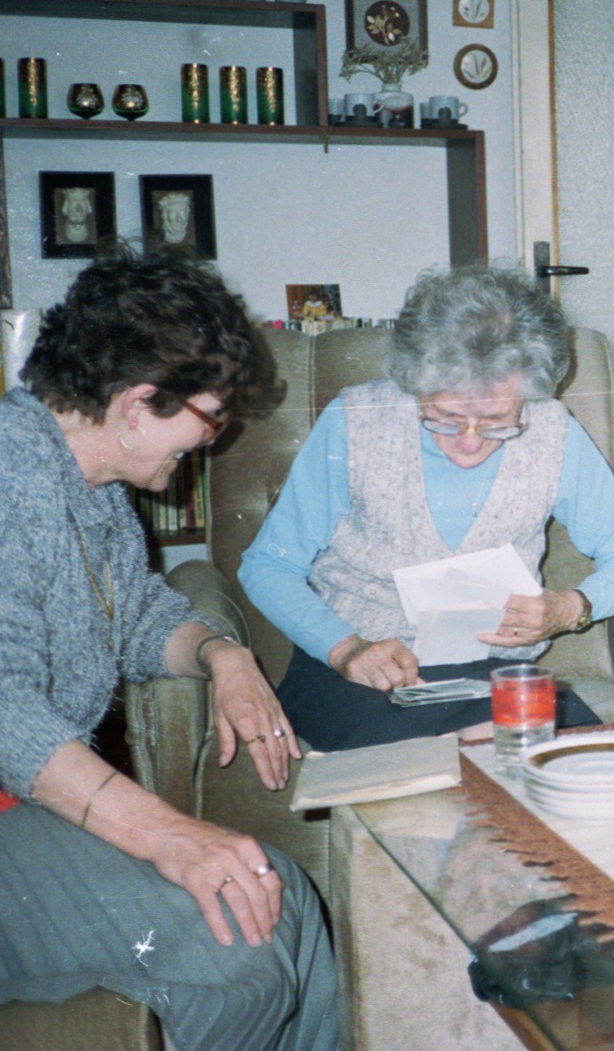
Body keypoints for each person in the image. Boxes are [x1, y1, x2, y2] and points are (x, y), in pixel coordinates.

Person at [0, 249, 338, 1050]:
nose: (212, 441)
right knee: (235, 945)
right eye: (209, 419)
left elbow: (140, 614)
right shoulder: (11, 480)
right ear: (135, 402)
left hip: (30, 804)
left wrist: (224, 656)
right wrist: (168, 834)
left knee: (280, 887)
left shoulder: (93, 485)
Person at [240, 263, 614, 752]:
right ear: (415, 384)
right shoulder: (356, 421)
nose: (468, 443)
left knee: (562, 761)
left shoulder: (553, 429)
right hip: (358, 668)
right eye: (443, 418)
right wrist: (345, 647)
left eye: (498, 421)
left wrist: (569, 608)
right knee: (425, 768)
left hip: (491, 670)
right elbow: (268, 565)